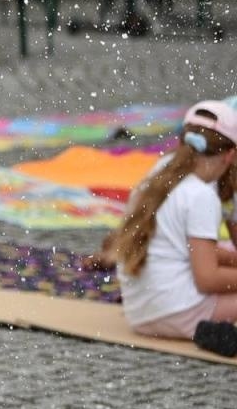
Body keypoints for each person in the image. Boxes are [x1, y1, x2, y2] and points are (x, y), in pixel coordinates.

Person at [101, 101, 237, 353]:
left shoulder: (161, 171)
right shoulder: (201, 195)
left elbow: (180, 249)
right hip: (178, 312)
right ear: (230, 155)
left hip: (141, 313)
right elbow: (207, 279)